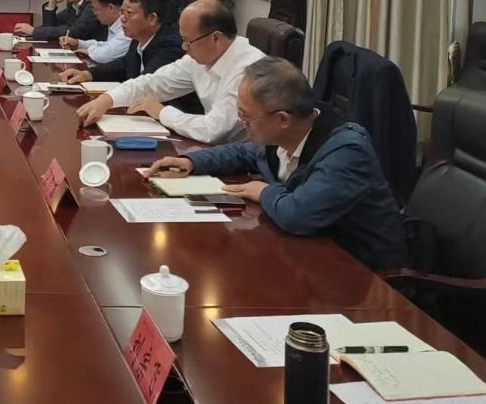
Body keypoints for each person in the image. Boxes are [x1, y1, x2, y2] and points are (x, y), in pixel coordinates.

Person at [142, 58, 407, 270]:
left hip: (362, 276)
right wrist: (190, 161)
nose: (242, 124)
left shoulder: (346, 152)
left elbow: (297, 215)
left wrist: (264, 191)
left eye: (246, 117)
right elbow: (245, 152)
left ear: (282, 119)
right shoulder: (287, 134)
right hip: (305, 256)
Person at [77, 0, 265, 144]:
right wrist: (107, 99)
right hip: (215, 150)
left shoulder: (247, 70)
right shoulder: (199, 58)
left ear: (215, 38)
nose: (183, 47)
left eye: (188, 41)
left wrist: (161, 112)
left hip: (248, 163)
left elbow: (213, 131)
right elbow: (154, 82)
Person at [59, 0, 184, 85]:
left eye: (129, 13)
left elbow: (145, 84)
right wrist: (88, 74)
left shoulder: (170, 46)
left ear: (152, 18)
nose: (122, 18)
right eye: (122, 12)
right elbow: (124, 65)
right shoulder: (138, 38)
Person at [60, 0, 129, 65]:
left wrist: (88, 51)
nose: (94, 13)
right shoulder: (114, 25)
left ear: (111, 8)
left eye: (95, 9)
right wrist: (78, 43)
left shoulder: (128, 29)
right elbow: (107, 45)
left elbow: (104, 55)